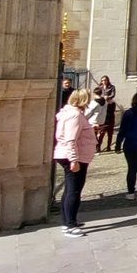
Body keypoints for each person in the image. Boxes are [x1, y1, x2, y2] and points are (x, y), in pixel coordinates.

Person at [53, 87, 97, 237]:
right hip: (74, 155)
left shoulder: (69, 113)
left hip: (71, 154)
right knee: (74, 190)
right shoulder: (75, 115)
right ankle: (70, 224)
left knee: (70, 189)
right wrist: (74, 160)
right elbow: (71, 139)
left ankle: (67, 221)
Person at [95, 76, 117, 152]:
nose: (104, 81)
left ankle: (108, 146)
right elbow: (98, 95)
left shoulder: (112, 87)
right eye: (102, 80)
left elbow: (113, 94)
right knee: (101, 132)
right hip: (102, 105)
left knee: (110, 133)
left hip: (109, 104)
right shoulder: (100, 87)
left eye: (105, 80)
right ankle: (98, 147)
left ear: (108, 80)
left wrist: (107, 97)